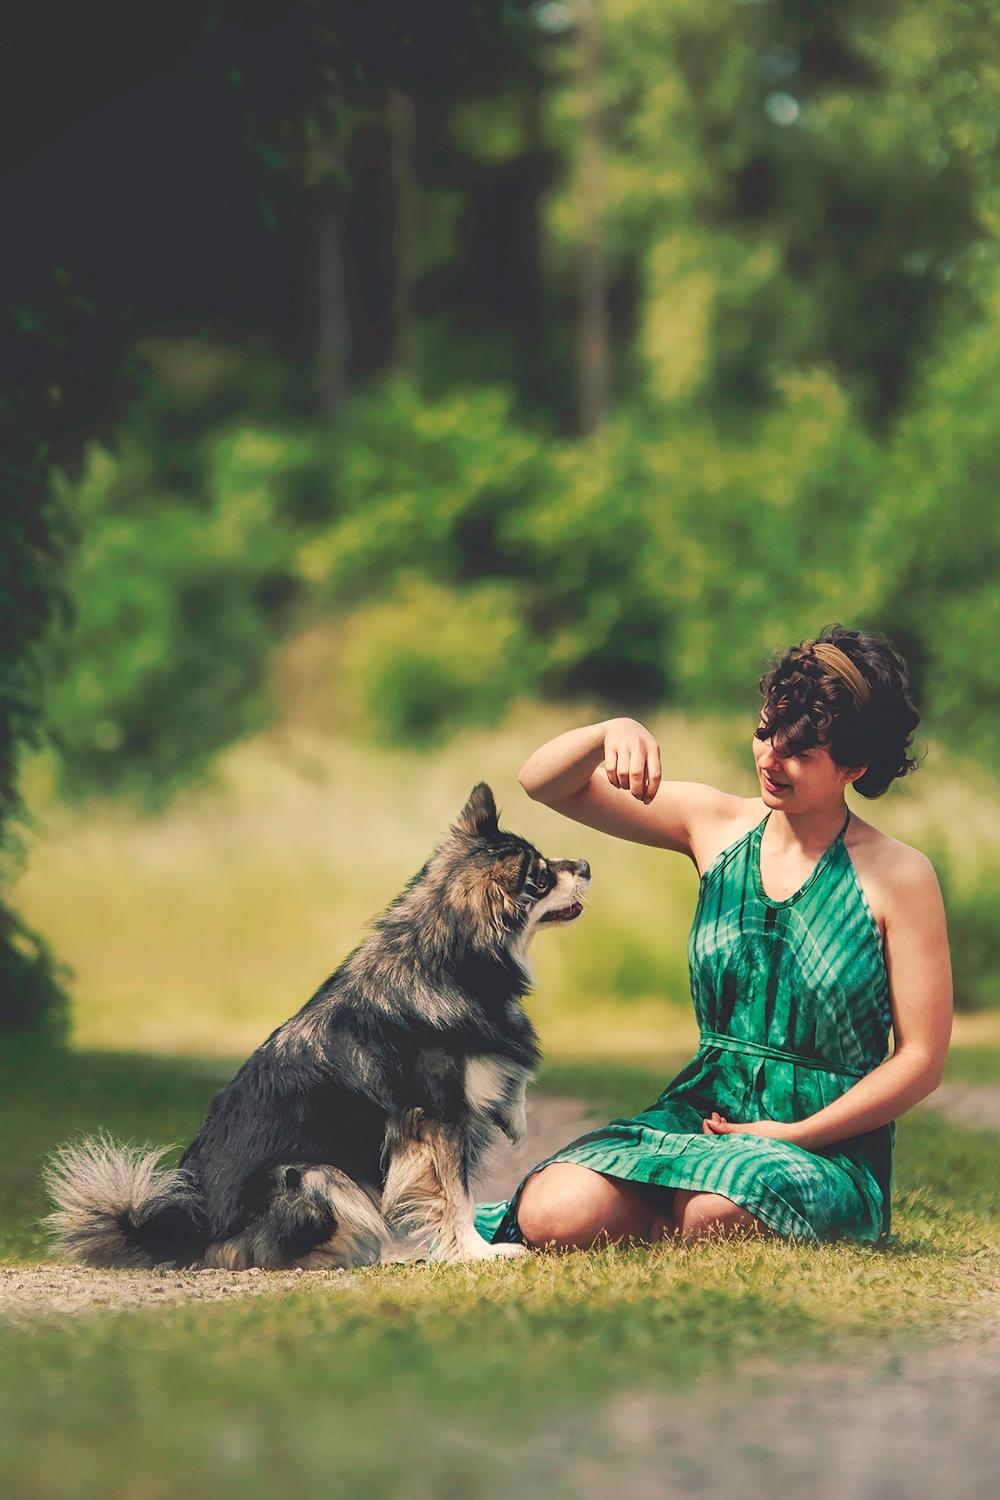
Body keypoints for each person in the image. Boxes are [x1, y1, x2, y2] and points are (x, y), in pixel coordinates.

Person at [473, 626, 953, 1250]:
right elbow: (544, 784)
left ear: (855, 767)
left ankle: (672, 1216)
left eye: (802, 751)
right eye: (766, 732)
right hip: (701, 1111)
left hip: (824, 1140)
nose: (772, 758)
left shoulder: (900, 874)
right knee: (550, 1212)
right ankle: (664, 1211)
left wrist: (795, 1134)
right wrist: (609, 732)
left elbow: (921, 1061)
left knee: (715, 1212)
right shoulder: (714, 825)